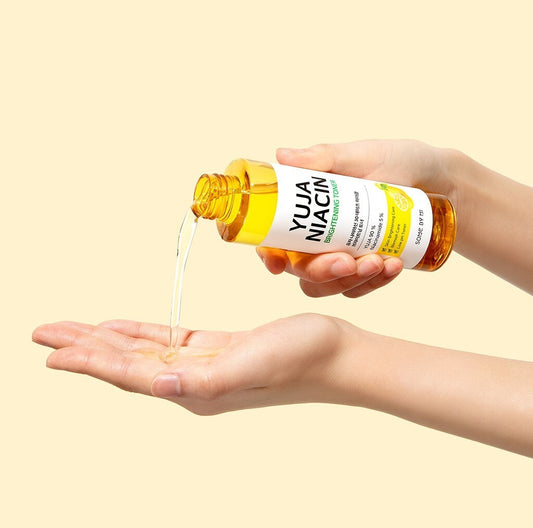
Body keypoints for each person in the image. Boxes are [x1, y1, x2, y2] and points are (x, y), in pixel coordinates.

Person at [32, 140, 533, 457]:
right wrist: (450, 186)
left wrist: (338, 361)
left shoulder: (250, 189)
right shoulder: (241, 210)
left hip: (416, 221)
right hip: (421, 212)